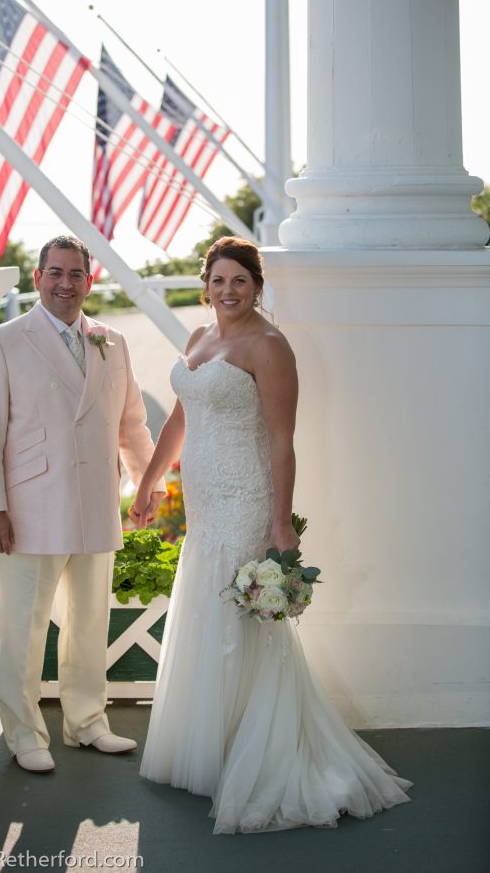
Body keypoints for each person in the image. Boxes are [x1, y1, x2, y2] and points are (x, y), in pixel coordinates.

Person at [131, 236, 412, 833]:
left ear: (258, 286)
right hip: (203, 501)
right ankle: (210, 748)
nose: (227, 291)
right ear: (204, 285)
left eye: (240, 281)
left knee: (241, 621)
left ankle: (256, 754)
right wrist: (150, 480)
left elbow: (283, 439)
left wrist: (281, 519)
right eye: (218, 281)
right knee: (209, 609)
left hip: (246, 498)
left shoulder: (270, 345)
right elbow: (182, 415)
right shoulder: (199, 337)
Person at [0, 234, 165, 774]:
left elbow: (131, 423)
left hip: (96, 503)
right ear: (37, 278)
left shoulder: (112, 341)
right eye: (55, 273)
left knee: (89, 620)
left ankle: (87, 723)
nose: (65, 283)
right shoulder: (3, 342)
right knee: (23, 628)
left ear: (88, 280)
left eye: (75, 274)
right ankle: (25, 733)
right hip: (28, 509)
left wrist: (148, 486)